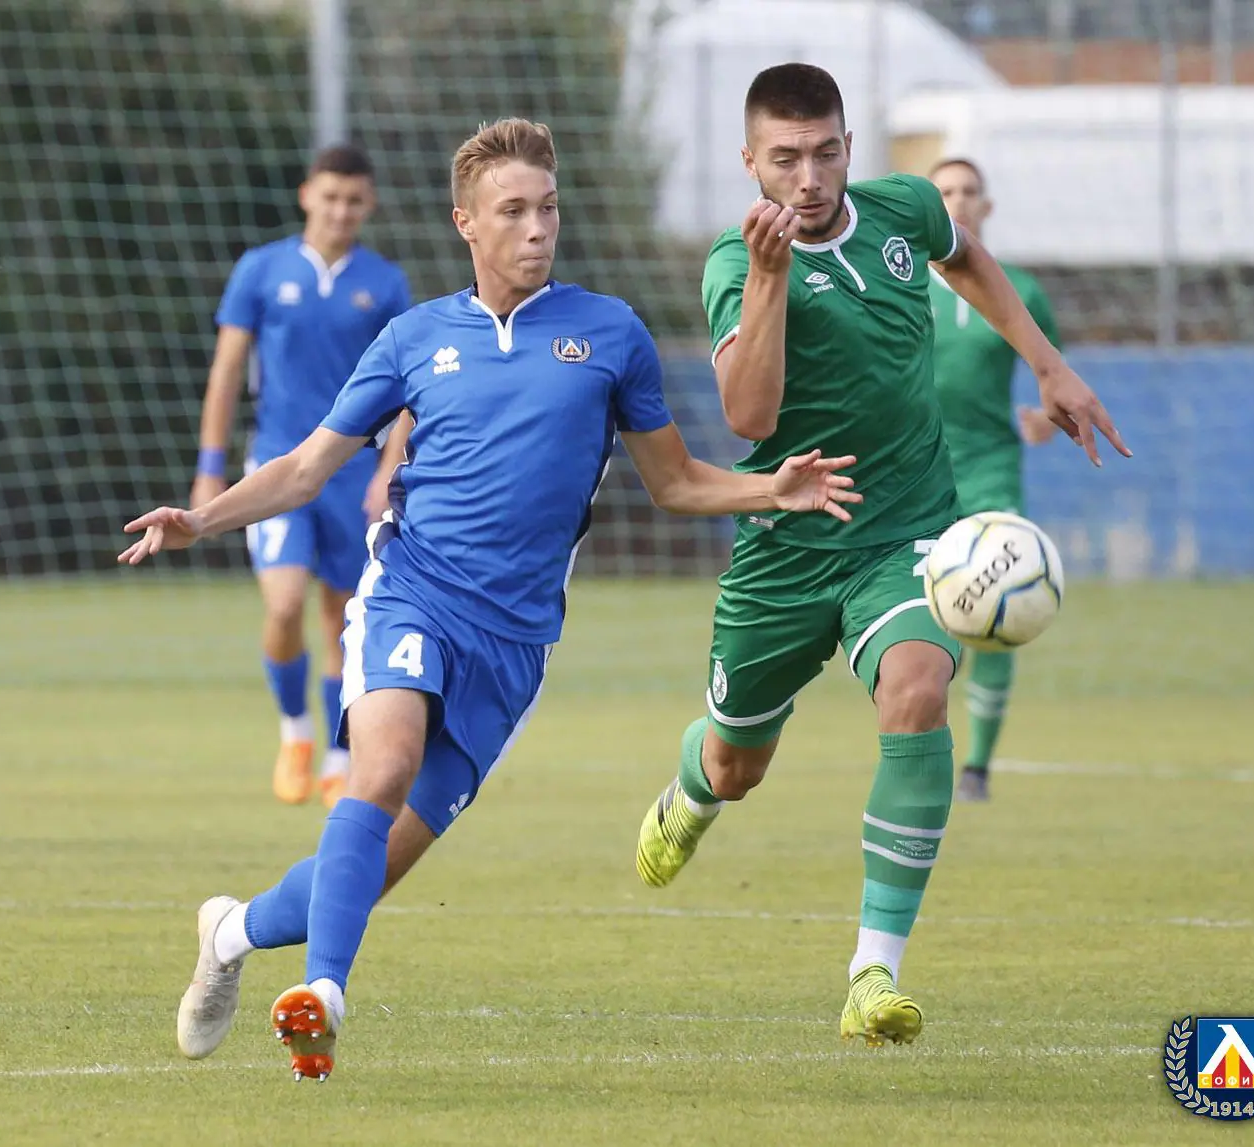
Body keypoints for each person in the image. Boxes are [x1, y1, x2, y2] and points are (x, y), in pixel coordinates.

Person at [120, 117, 861, 1082]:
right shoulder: (414, 338)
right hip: (411, 592)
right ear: (465, 222)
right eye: (512, 211)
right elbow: (305, 468)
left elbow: (675, 482)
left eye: (547, 208)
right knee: (381, 768)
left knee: (370, 866)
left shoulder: (610, 333)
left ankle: (230, 931)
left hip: (513, 646)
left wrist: (771, 488)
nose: (536, 228)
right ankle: (323, 995)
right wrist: (202, 517)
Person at [631, 64, 1129, 1048]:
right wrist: (769, 281)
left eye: (825, 153)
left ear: (849, 148)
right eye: (785, 158)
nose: (808, 177)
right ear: (749, 162)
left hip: (906, 530)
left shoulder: (903, 208)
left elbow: (968, 260)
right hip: (782, 549)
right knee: (737, 763)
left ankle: (873, 971)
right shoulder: (735, 262)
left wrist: (1047, 364)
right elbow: (748, 417)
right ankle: (693, 787)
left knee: (915, 688)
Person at [194, 143, 411, 809]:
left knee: (343, 618)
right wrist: (209, 470)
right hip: (278, 466)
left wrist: (387, 470)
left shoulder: (384, 283)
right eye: (330, 196)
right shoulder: (261, 270)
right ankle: (295, 732)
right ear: (306, 195)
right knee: (284, 604)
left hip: (351, 473)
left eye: (354, 200)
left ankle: (339, 759)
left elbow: (406, 391)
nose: (340, 210)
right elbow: (227, 371)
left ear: (368, 205)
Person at [928, 157, 1062, 803]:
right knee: (921, 623)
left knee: (1001, 608)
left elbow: (1052, 375)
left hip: (990, 468)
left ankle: (977, 768)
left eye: (968, 191)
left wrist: (1045, 417)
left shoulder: (1021, 291)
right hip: (916, 473)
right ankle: (920, 753)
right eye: (944, 191)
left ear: (986, 206)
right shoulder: (896, 285)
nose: (957, 201)